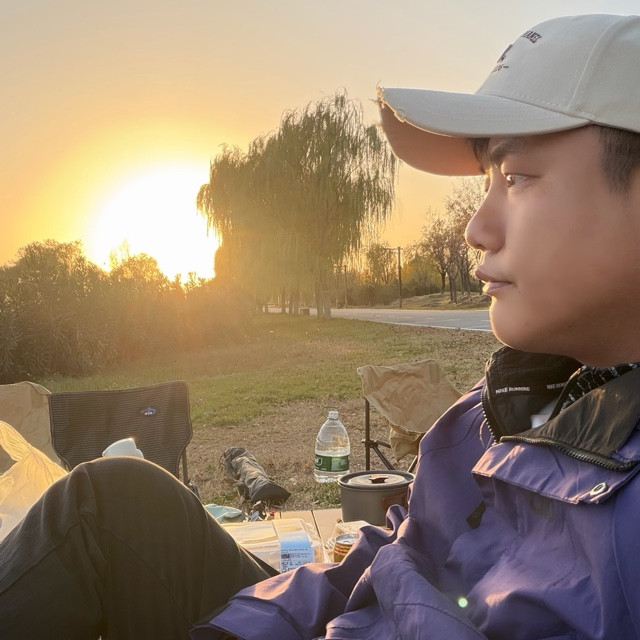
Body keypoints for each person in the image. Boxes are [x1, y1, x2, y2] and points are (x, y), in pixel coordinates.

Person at [3, 12, 640, 639]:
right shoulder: (507, 401)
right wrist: (237, 629)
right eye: (487, 180)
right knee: (117, 502)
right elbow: (397, 556)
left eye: (518, 177)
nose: (476, 228)